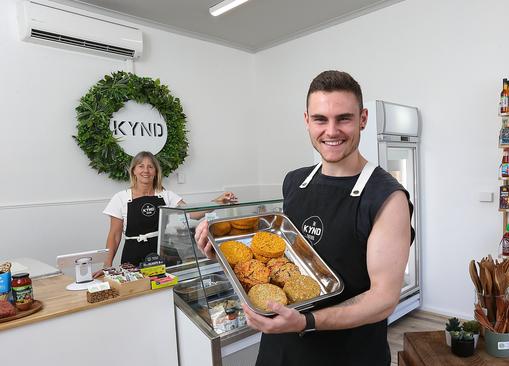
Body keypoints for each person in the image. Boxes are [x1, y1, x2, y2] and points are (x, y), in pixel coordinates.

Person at [195, 71, 414, 366]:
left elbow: (383, 299)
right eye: (320, 119)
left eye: (344, 118)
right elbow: (285, 257)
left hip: (349, 355)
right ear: (307, 120)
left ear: (363, 118)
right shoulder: (295, 182)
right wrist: (220, 251)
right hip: (279, 350)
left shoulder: (386, 197)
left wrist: (305, 322)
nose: (331, 131)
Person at [102, 151, 237, 269]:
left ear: (155, 172)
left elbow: (193, 213)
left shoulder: (166, 195)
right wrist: (107, 265)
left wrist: (217, 201)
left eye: (150, 167)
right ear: (134, 171)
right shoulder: (120, 198)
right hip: (133, 256)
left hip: (163, 254)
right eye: (141, 166)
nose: (146, 170)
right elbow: (114, 236)